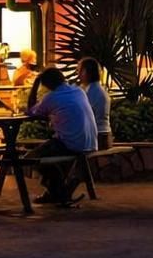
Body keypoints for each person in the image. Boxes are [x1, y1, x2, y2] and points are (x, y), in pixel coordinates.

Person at [26, 68, 98, 204]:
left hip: (71, 144)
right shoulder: (79, 91)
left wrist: (35, 84)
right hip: (90, 142)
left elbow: (31, 111)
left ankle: (60, 192)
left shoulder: (51, 97)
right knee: (53, 151)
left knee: (31, 159)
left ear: (47, 85)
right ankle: (55, 193)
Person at [78, 58, 112, 149]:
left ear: (86, 72)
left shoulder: (92, 91)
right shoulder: (97, 89)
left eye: (80, 70)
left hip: (97, 136)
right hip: (102, 134)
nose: (78, 74)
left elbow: (83, 113)